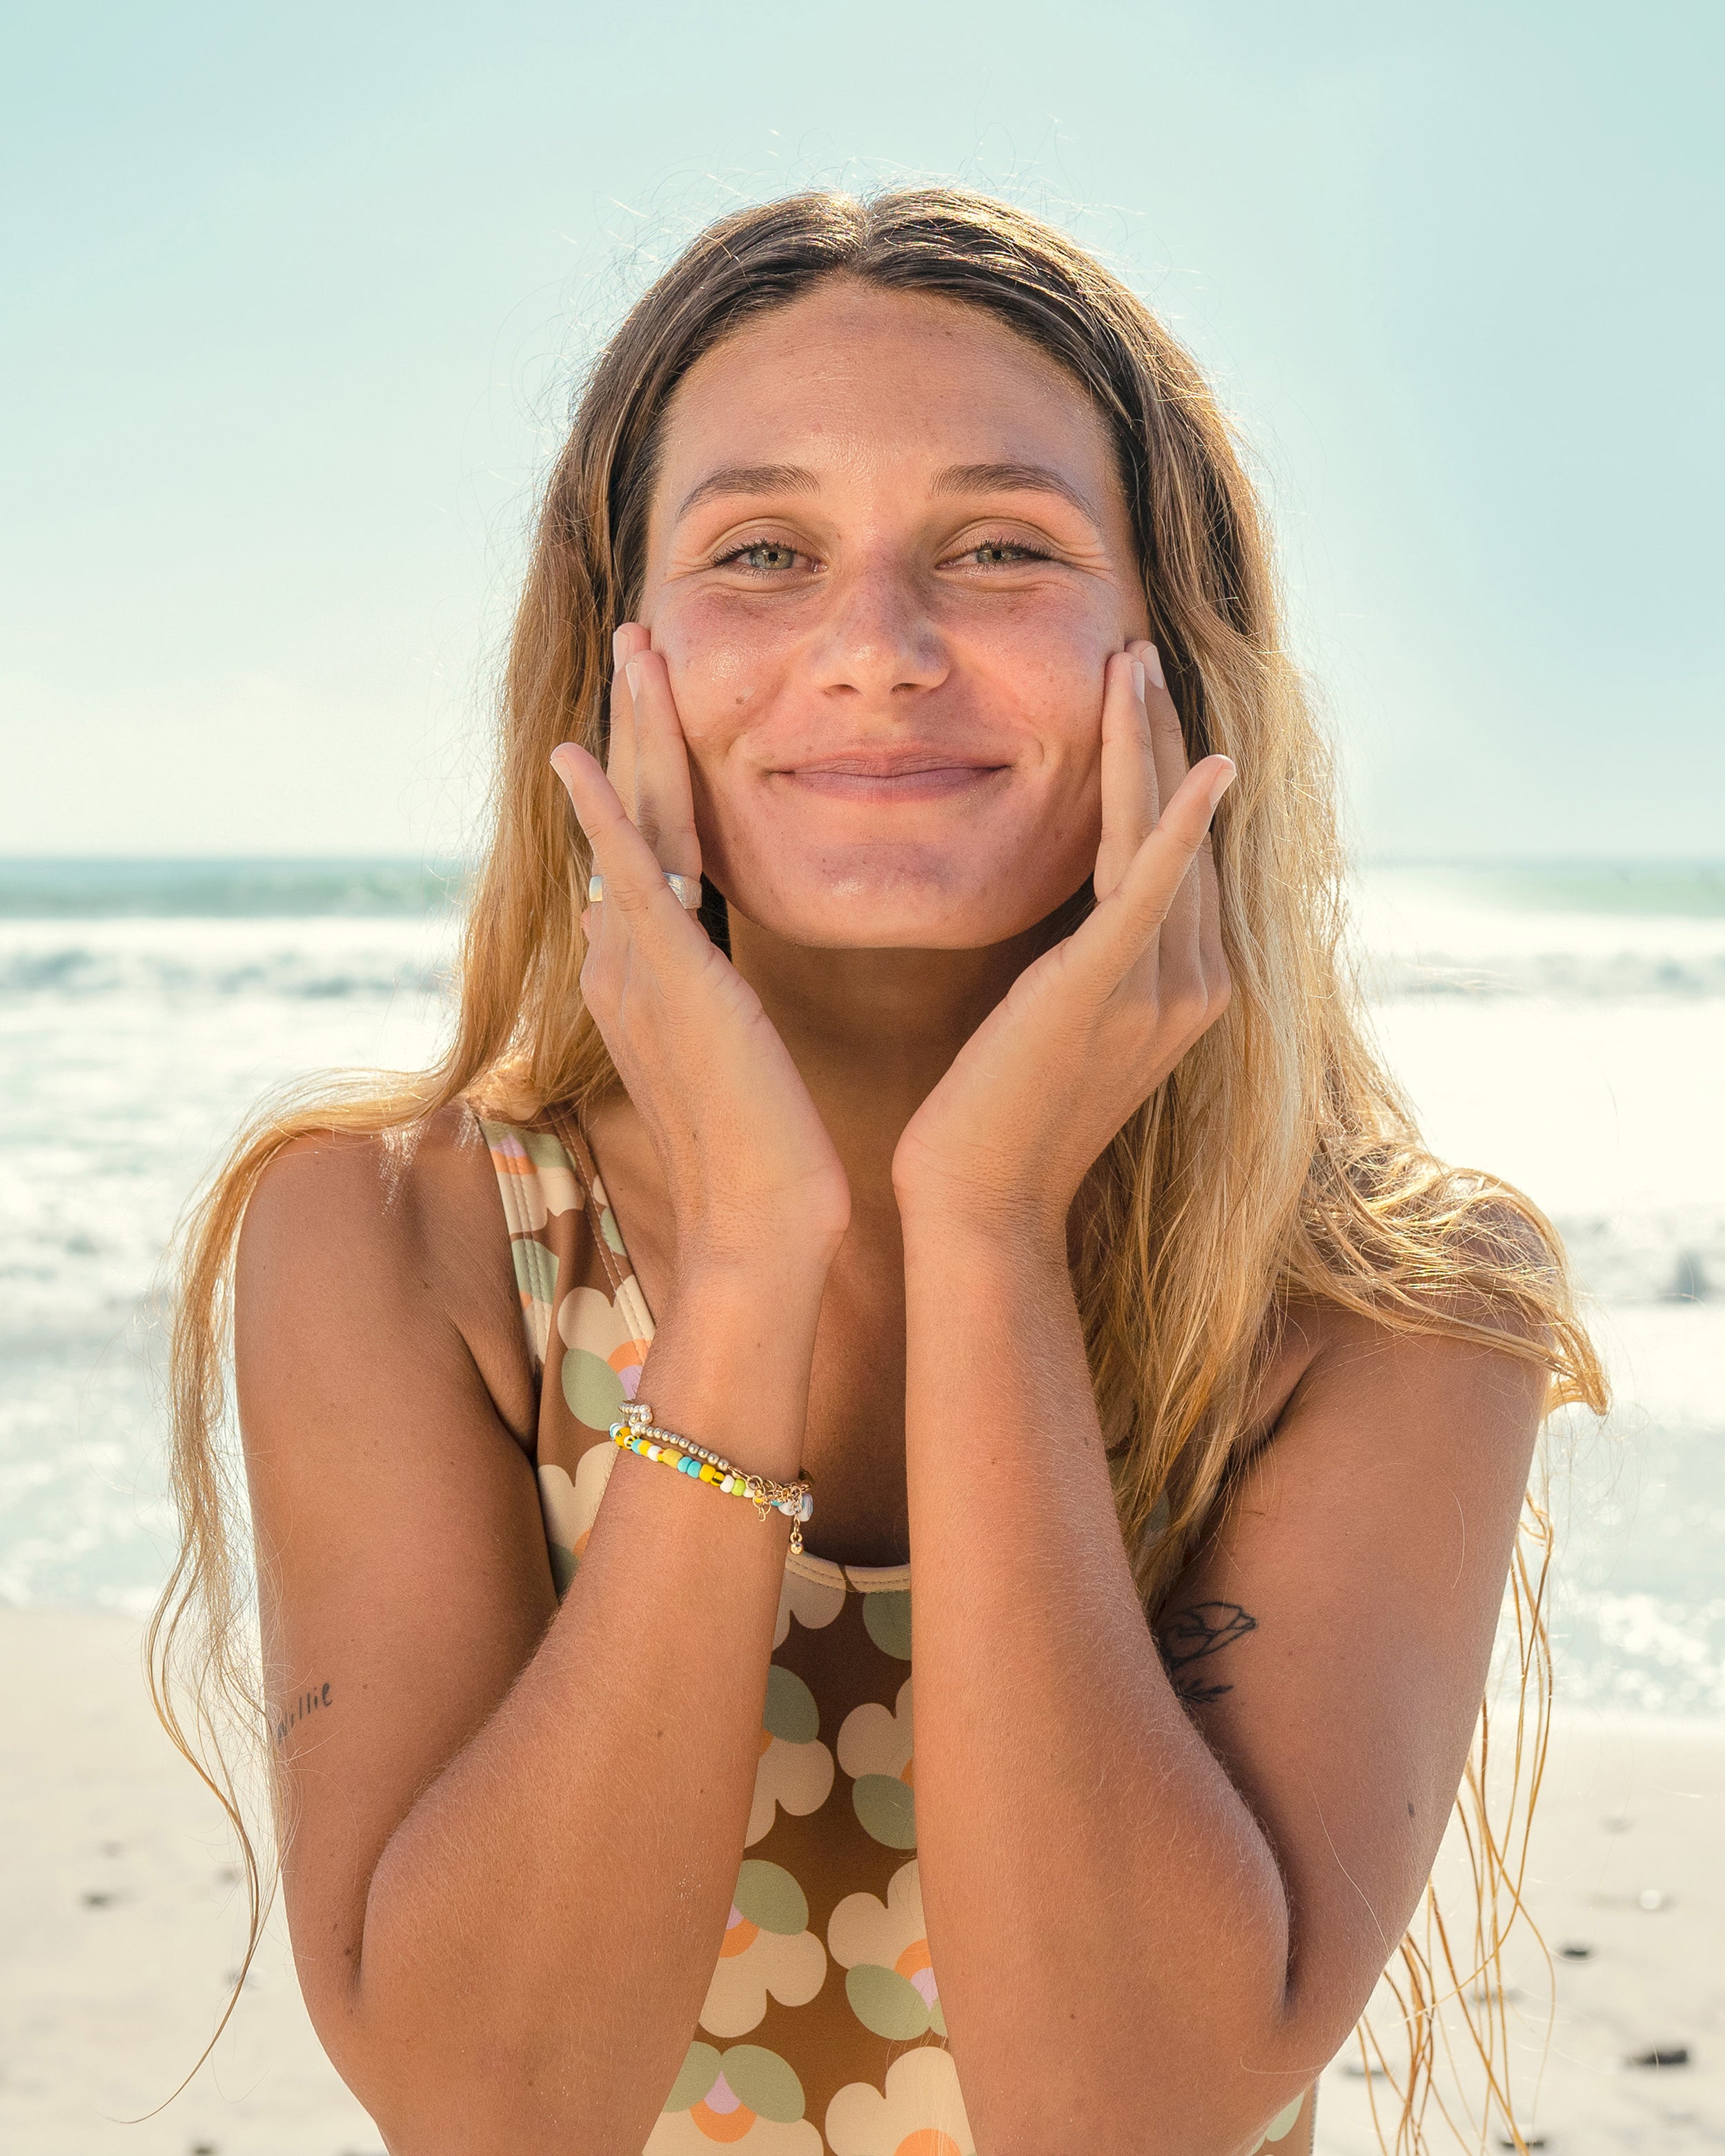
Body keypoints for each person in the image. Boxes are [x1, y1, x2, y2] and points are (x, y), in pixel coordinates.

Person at [154, 187, 1604, 2156]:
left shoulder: (1389, 1304)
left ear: (1172, 649)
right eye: (763, 550)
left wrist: (986, 1233)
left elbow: (1128, 2114)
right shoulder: (402, 1240)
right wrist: (753, 1264)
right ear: (615, 657)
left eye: (1001, 547)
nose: (876, 652)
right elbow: (490, 2111)